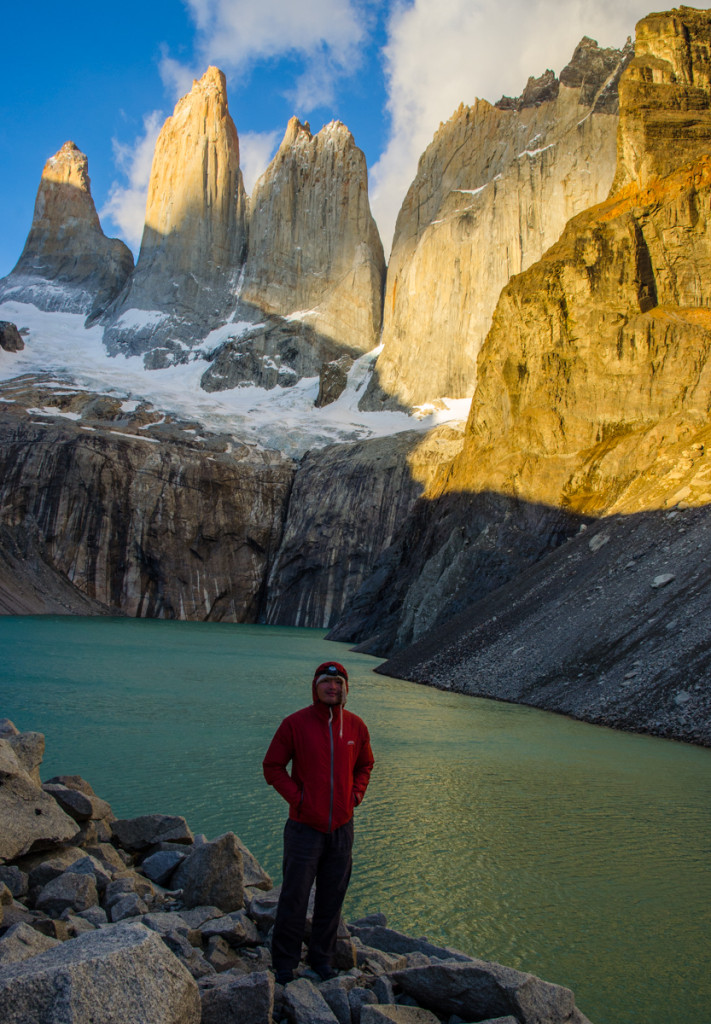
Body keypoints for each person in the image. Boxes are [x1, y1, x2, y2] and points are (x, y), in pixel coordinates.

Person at [263, 660, 374, 984]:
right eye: (326, 682)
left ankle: (321, 960)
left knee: (332, 896)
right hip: (304, 828)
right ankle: (284, 963)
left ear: (346, 689)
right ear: (315, 687)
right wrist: (298, 800)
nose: (333, 687)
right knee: (294, 896)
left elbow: (366, 764)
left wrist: (355, 795)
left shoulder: (356, 727)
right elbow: (272, 766)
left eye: (339, 683)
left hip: (341, 828)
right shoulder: (295, 724)